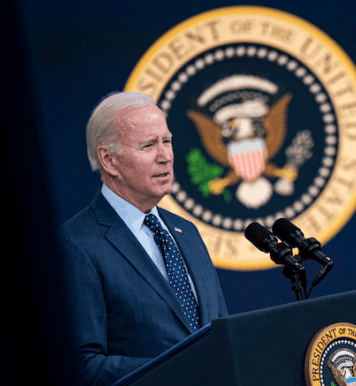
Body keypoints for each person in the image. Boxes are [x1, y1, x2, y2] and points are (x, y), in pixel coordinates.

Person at [58, 92, 228, 386]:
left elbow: (223, 335)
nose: (165, 156)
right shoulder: (76, 244)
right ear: (109, 160)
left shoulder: (186, 231)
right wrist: (184, 370)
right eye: (148, 145)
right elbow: (86, 366)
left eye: (167, 141)